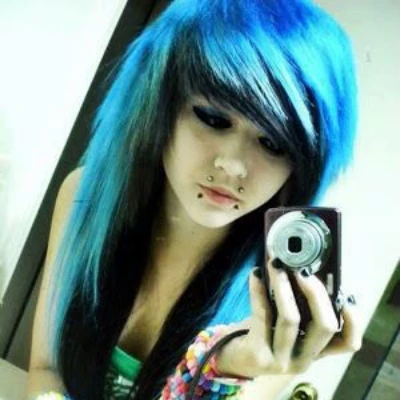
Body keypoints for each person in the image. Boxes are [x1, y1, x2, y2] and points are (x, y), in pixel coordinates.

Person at [25, 0, 362, 399]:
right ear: (159, 105)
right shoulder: (85, 200)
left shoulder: (275, 305)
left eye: (273, 144)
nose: (233, 166)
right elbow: (46, 369)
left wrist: (225, 368)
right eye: (214, 119)